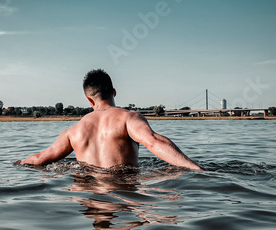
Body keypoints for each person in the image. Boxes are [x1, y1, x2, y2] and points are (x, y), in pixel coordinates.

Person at [15, 69, 203, 170]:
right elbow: (153, 142)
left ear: (89, 99)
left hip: (88, 195)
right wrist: (197, 170)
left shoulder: (72, 132)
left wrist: (19, 163)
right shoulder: (128, 118)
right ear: (113, 92)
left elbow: (40, 159)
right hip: (123, 191)